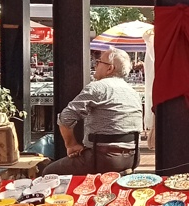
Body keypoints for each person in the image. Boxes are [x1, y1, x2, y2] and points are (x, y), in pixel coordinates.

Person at [43, 47, 144, 175]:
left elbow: (65, 118)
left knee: (49, 173)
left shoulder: (97, 88)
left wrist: (71, 145)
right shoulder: (133, 93)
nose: (95, 65)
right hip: (132, 159)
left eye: (99, 62)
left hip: (102, 160)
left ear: (110, 68)